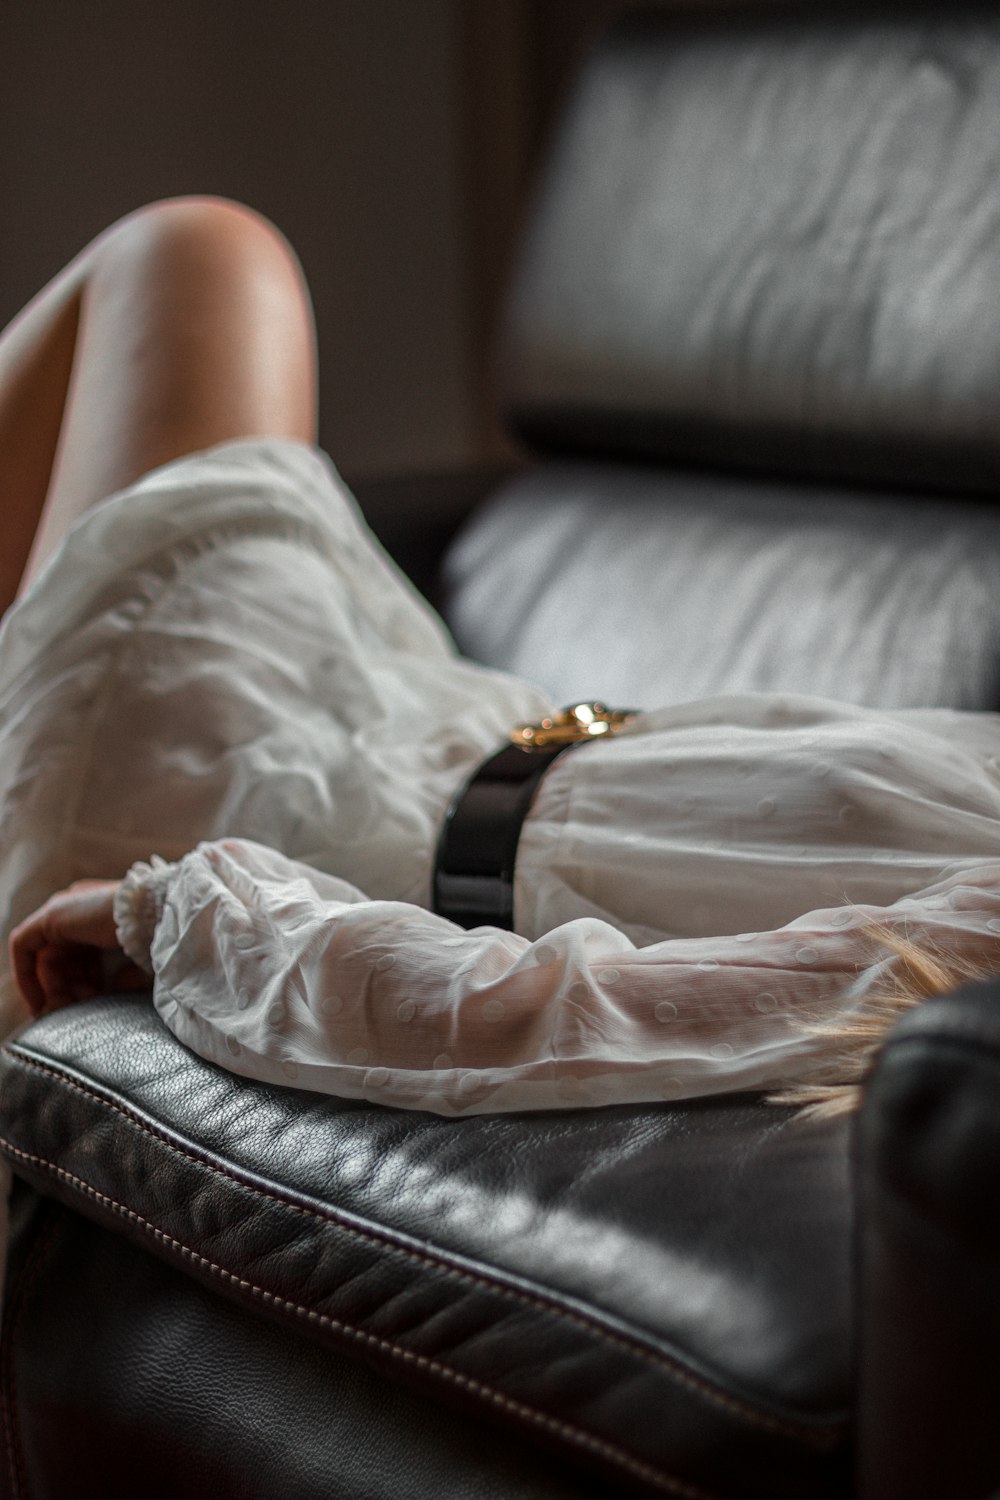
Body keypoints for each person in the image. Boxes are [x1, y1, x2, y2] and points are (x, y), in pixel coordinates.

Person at [4, 196, 1000, 1162]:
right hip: (424, 716)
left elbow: (547, 1020)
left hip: (272, 796)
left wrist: (175, 911)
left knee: (198, 255)